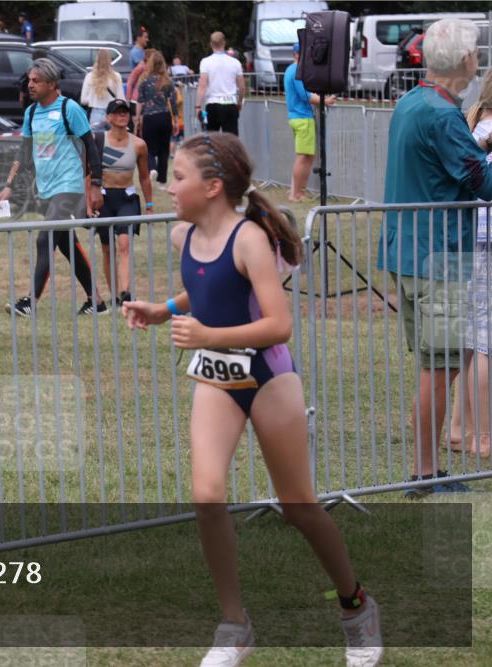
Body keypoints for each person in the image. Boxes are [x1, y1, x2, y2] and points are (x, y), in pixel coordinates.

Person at [122, 132, 383, 667]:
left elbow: (278, 324)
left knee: (299, 508)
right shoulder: (183, 236)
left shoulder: (250, 240)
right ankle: (234, 626)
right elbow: (211, 287)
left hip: (268, 377)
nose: (168, 186)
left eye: (178, 177)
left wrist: (205, 337)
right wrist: (164, 309)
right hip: (219, 381)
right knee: (207, 493)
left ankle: (357, 608)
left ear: (213, 187)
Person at [377, 18, 492, 498]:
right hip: (438, 256)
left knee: (435, 363)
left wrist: (478, 145)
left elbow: (451, 165)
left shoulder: (412, 102)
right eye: (475, 53)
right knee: (438, 367)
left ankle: (427, 470)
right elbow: (483, 185)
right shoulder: (445, 116)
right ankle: (425, 474)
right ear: (466, 61)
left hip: (408, 251)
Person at [0, 58, 107, 318]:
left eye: (36, 81)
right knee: (67, 243)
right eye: (29, 80)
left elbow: (91, 148)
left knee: (45, 238)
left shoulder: (70, 108)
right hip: (45, 188)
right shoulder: (31, 112)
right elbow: (24, 152)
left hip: (68, 186)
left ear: (52, 84)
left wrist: (95, 185)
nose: (30, 85)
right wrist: (8, 186)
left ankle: (30, 302)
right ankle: (97, 301)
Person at [451, 69, 492, 458]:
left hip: (471, 238)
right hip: (485, 243)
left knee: (471, 340)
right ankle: (482, 436)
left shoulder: (473, 124)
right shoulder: (485, 129)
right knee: (485, 343)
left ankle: (461, 428)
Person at [91, 99, 152, 306]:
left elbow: (144, 177)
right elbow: (87, 173)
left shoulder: (138, 144)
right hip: (104, 199)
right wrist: (88, 201)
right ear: (108, 118)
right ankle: (115, 295)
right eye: (117, 113)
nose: (122, 115)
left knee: (124, 243)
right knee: (108, 249)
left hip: (127, 198)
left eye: (125, 112)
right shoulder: (98, 139)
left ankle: (126, 292)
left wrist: (150, 205)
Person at [283, 42, 336, 202]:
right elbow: (305, 95)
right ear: (298, 55)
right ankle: (296, 194)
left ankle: (296, 191)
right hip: (303, 118)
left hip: (296, 117)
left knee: (305, 157)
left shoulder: (290, 70)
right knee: (303, 157)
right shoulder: (297, 71)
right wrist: (325, 101)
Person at [134, 51, 179, 190]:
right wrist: (176, 120)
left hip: (149, 117)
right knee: (164, 150)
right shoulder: (167, 81)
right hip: (165, 117)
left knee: (149, 148)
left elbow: (140, 102)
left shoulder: (144, 80)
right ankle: (162, 182)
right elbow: (173, 102)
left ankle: (152, 168)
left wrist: (137, 119)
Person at [195, 31, 245, 135]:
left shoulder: (205, 62)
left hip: (213, 104)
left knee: (212, 141)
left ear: (211, 44)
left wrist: (198, 106)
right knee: (231, 142)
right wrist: (239, 102)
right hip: (230, 103)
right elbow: (242, 87)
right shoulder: (235, 62)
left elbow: (202, 85)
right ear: (224, 43)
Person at [81, 48, 124, 129]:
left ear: (96, 59)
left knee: (97, 140)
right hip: (113, 114)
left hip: (96, 114)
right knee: (112, 141)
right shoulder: (116, 76)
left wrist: (93, 98)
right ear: (110, 60)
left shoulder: (90, 76)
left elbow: (83, 100)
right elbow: (121, 100)